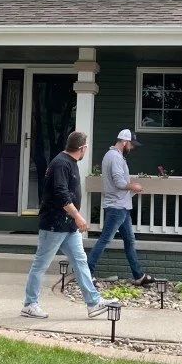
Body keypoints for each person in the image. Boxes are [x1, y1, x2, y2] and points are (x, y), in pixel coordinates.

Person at [21, 130, 120, 320]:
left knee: (80, 261)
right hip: (54, 224)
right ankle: (30, 304)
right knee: (41, 264)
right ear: (82, 148)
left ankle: (93, 303)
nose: (87, 151)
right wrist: (78, 217)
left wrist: (74, 220)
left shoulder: (70, 163)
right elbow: (60, 194)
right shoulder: (60, 164)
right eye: (86, 147)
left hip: (67, 227)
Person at [88, 129, 154, 286]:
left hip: (121, 207)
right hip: (116, 207)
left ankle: (139, 276)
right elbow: (118, 182)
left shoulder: (112, 156)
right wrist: (134, 186)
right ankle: (87, 273)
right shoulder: (115, 158)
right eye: (131, 145)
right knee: (104, 240)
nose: (132, 148)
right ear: (125, 142)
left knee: (129, 240)